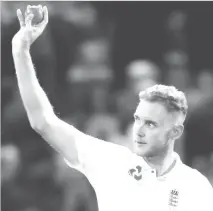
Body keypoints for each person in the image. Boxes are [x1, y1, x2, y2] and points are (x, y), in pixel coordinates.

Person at [12, 5, 213, 211]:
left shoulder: (195, 186)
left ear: (175, 131)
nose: (139, 131)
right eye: (138, 119)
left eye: (151, 124)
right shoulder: (112, 161)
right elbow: (43, 122)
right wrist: (20, 51)